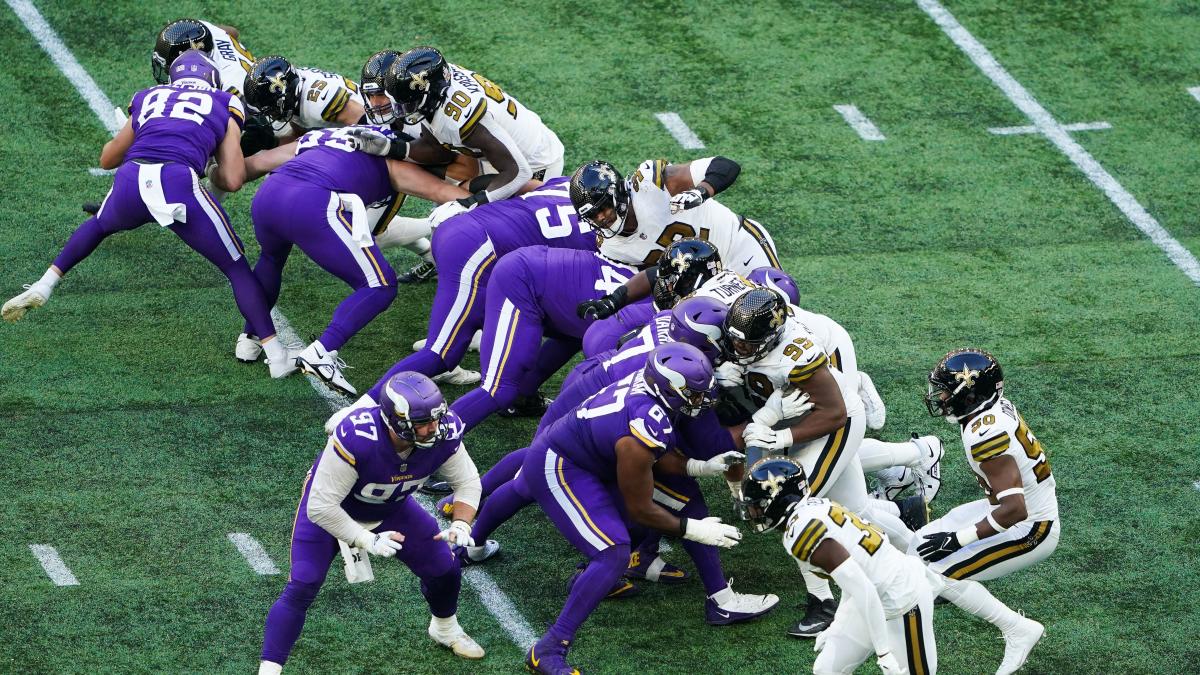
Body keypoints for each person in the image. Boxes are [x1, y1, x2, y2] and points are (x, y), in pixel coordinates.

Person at [2, 51, 296, 379]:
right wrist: (209, 165)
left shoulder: (148, 97)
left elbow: (107, 158)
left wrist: (143, 134)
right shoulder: (225, 102)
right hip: (176, 181)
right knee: (236, 266)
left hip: (131, 179)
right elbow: (233, 179)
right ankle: (277, 355)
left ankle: (45, 284)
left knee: (99, 225)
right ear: (211, 80)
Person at [720, 289, 939, 637]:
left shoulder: (794, 354)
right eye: (737, 342)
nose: (739, 350)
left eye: (748, 345)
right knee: (857, 511)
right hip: (795, 420)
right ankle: (926, 564)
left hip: (834, 422)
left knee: (790, 505)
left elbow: (835, 412)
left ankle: (822, 603)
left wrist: (780, 438)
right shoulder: (740, 330)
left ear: (773, 335)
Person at [520, 343, 747, 673]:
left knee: (635, 527)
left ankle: (590, 579)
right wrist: (695, 529)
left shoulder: (652, 396)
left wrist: (699, 467)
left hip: (593, 458)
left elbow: (657, 453)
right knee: (614, 551)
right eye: (695, 395)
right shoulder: (645, 419)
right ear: (669, 389)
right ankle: (549, 649)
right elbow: (640, 504)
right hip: (560, 464)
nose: (702, 402)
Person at [257, 372, 493, 673]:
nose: (433, 428)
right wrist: (366, 540)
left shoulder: (444, 432)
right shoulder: (359, 438)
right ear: (396, 421)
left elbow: (468, 481)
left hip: (390, 508)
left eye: (436, 419)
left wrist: (461, 524)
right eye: (423, 423)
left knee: (444, 568)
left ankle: (444, 628)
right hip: (333, 509)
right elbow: (320, 507)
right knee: (303, 582)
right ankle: (269, 669)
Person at [238, 125, 468, 393]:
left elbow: (254, 164)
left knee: (271, 259)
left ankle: (252, 338)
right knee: (380, 285)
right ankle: (322, 352)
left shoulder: (327, 136)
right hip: (312, 202)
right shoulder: (393, 158)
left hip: (269, 194)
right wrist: (507, 200)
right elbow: (444, 193)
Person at [913, 348, 1056, 675]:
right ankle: (953, 581)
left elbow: (1014, 509)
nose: (942, 396)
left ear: (970, 392)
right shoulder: (992, 409)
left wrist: (959, 539)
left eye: (947, 389)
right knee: (919, 544)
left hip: (1031, 527)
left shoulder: (985, 433)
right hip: (1013, 507)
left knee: (935, 570)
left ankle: (1018, 630)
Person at [742, 456, 938, 674]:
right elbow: (854, 577)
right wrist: (837, 624)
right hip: (871, 593)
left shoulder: (802, 533)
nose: (752, 513)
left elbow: (864, 589)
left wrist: (883, 652)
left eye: (756, 506)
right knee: (826, 670)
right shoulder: (813, 508)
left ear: (777, 500)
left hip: (902, 597)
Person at [569, 158, 778, 272]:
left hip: (738, 245)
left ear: (617, 193)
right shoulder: (610, 246)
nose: (601, 218)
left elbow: (726, 166)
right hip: (711, 281)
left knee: (784, 304)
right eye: (593, 215)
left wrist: (700, 192)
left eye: (603, 207)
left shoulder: (650, 185)